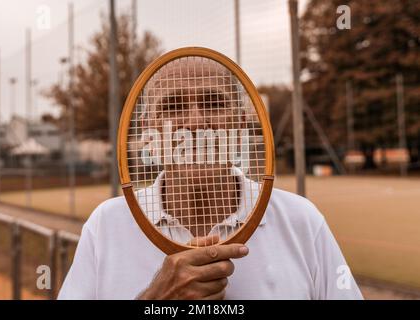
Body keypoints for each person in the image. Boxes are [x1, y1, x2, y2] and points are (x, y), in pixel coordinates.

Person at [58, 58, 363, 300]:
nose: (195, 122)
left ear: (241, 121)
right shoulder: (106, 225)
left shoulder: (301, 221)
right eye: (172, 105)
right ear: (148, 129)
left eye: (214, 102)